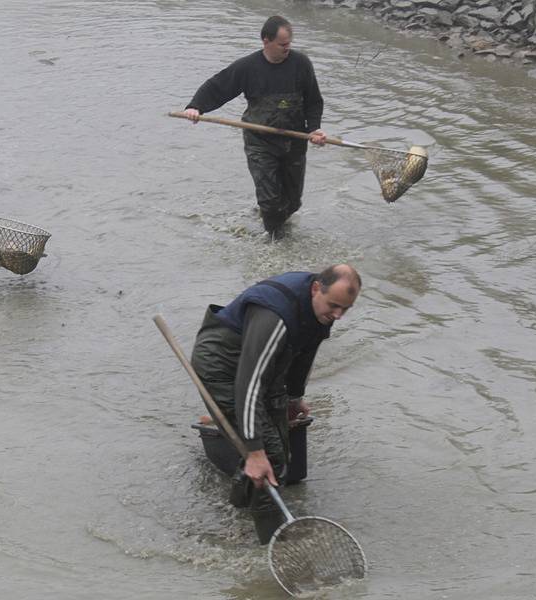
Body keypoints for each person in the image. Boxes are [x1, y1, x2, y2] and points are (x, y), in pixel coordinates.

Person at [191, 264, 361, 544]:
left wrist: (293, 399)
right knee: (270, 457)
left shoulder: (322, 309)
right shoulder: (275, 317)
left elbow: (305, 350)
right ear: (316, 288)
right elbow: (249, 384)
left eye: (346, 309)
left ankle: (239, 502)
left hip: (263, 360)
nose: (338, 316)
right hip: (223, 363)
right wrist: (256, 451)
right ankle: (272, 544)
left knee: (282, 441)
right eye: (334, 306)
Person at [182, 15, 327, 240]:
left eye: (289, 44)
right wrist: (196, 107)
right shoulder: (248, 67)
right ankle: (275, 244)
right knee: (270, 201)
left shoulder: (301, 64)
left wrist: (314, 130)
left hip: (294, 140)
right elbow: (218, 86)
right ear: (265, 41)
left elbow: (314, 101)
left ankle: (276, 223)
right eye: (282, 45)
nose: (287, 48)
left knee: (292, 202)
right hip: (260, 141)